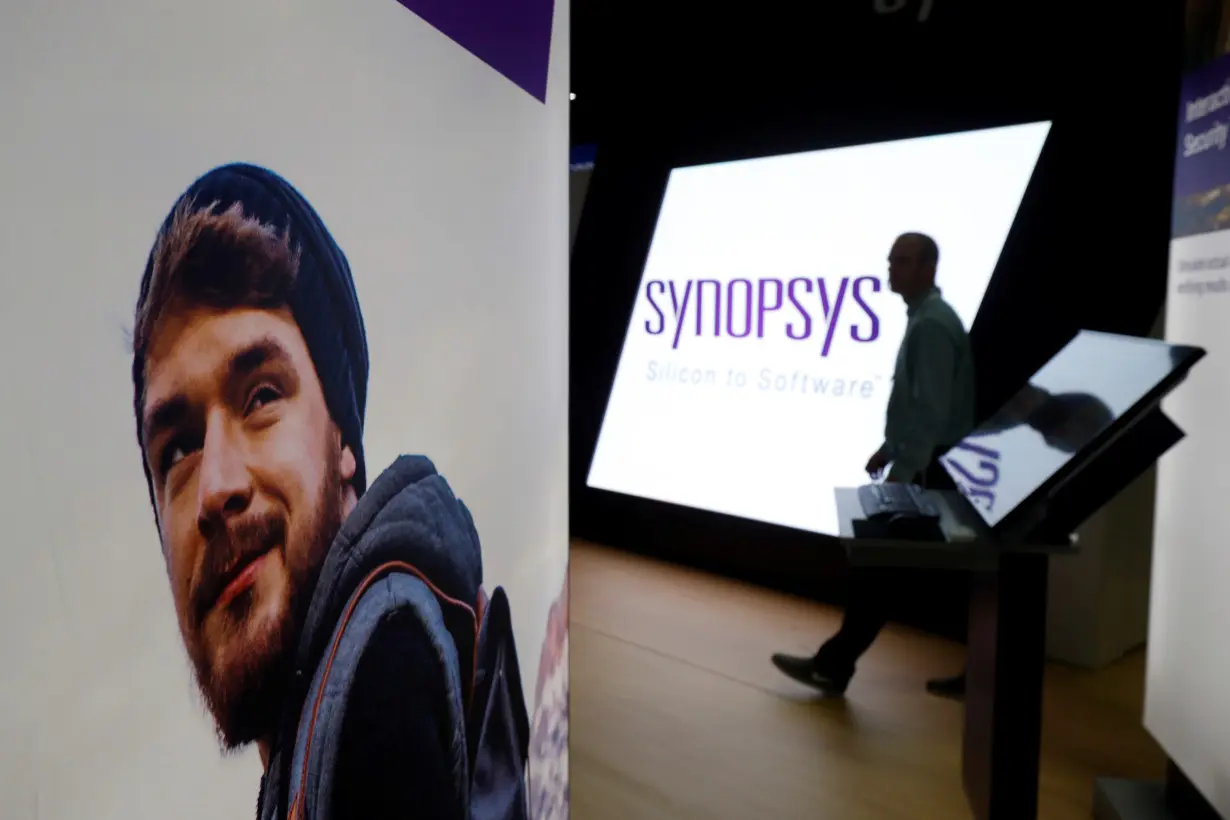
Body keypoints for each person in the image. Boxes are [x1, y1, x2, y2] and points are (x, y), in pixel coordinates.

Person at [130, 163, 529, 819]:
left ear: (344, 441)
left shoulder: (380, 685)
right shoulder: (321, 720)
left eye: (260, 396)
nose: (215, 487)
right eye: (178, 448)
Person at [771, 232, 974, 699]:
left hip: (932, 470)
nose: (892, 269)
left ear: (929, 269)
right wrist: (889, 448)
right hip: (930, 465)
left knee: (879, 568)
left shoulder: (931, 325)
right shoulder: (926, 318)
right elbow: (921, 404)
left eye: (903, 262)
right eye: (891, 261)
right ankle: (836, 664)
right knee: (887, 572)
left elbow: (933, 411)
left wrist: (903, 471)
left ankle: (834, 665)